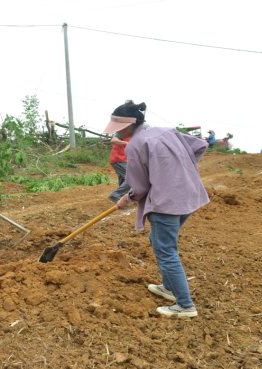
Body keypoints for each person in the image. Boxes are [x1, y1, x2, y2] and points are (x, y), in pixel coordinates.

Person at [103, 100, 209, 318]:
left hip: (166, 203)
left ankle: (185, 305)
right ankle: (169, 288)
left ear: (126, 124)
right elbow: (199, 146)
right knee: (158, 241)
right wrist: (182, 170)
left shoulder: (135, 145)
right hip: (188, 195)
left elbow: (140, 188)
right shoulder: (167, 131)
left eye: (116, 126)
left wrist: (127, 198)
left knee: (166, 251)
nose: (116, 131)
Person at [107, 132, 131, 204]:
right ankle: (116, 194)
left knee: (124, 179)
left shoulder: (134, 134)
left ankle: (121, 201)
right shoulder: (124, 132)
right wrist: (126, 143)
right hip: (119, 159)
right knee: (132, 178)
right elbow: (113, 140)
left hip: (123, 159)